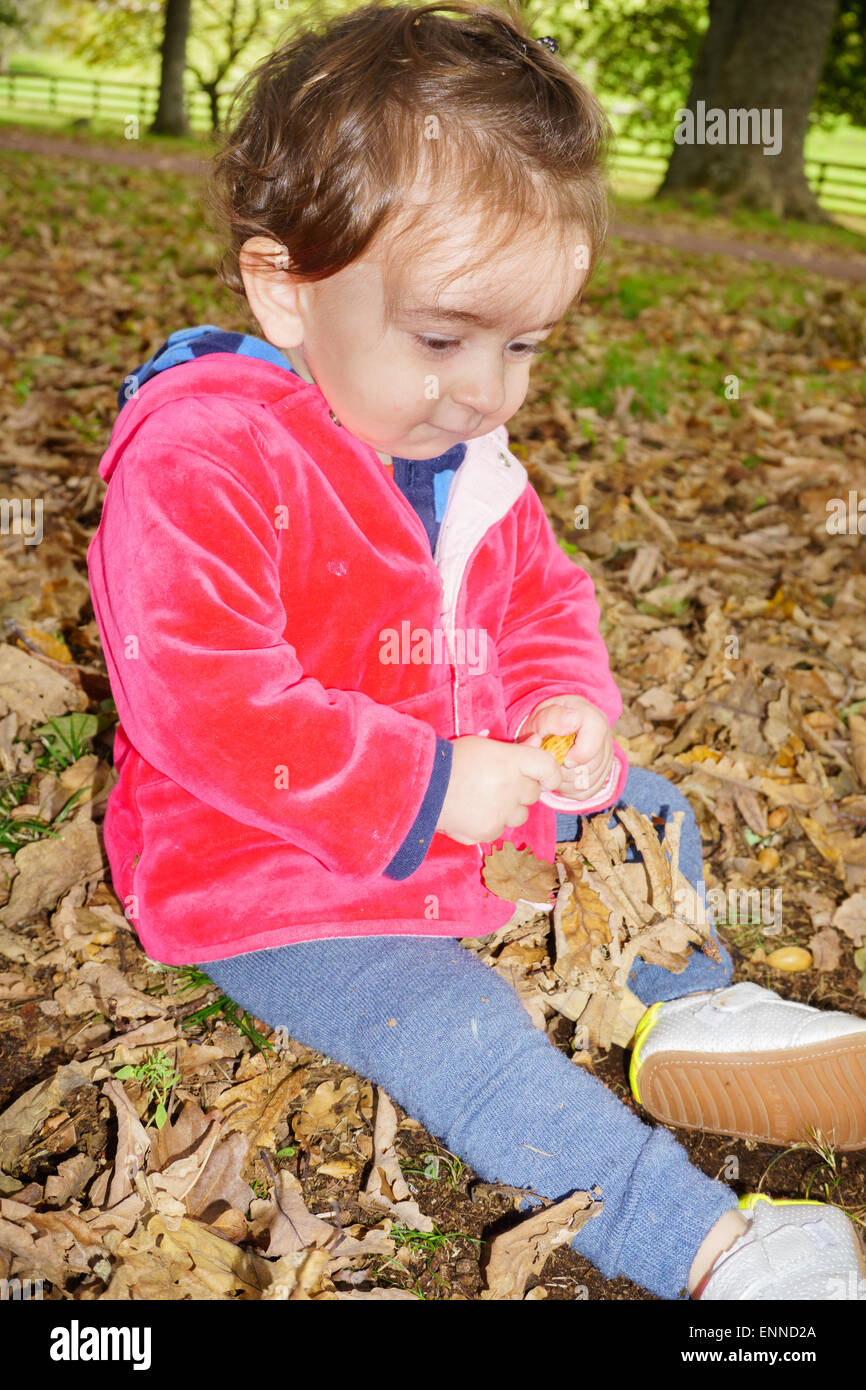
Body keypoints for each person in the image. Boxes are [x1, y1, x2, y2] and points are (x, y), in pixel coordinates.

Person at [86, 0, 866, 1301]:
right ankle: (714, 1246)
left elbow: (540, 599)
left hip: (466, 807)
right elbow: (207, 703)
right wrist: (427, 785)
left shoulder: (467, 457)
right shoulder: (206, 460)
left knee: (643, 808)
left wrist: (562, 707)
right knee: (460, 1033)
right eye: (445, 339)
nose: (491, 391)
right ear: (286, 288)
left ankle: (689, 1000)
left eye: (525, 346)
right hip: (271, 873)